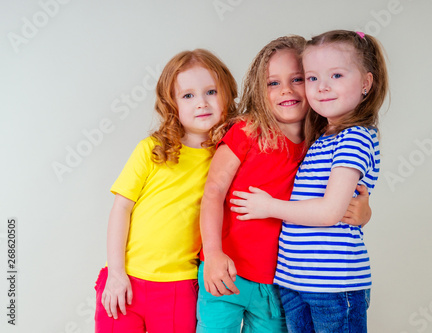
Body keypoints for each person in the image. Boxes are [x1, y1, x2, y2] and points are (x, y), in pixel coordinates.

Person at [198, 35, 373, 333]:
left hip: (280, 283)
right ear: (259, 88)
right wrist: (213, 253)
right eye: (273, 83)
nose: (287, 90)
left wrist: (364, 212)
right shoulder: (247, 131)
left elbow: (334, 202)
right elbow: (213, 191)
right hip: (226, 269)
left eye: (298, 79)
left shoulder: (320, 144)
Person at [93, 49, 238, 333]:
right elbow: (121, 208)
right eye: (188, 96)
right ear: (171, 104)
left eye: (211, 91)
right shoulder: (152, 149)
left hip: (180, 287)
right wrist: (116, 273)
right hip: (126, 282)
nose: (201, 103)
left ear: (227, 94)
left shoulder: (228, 156)